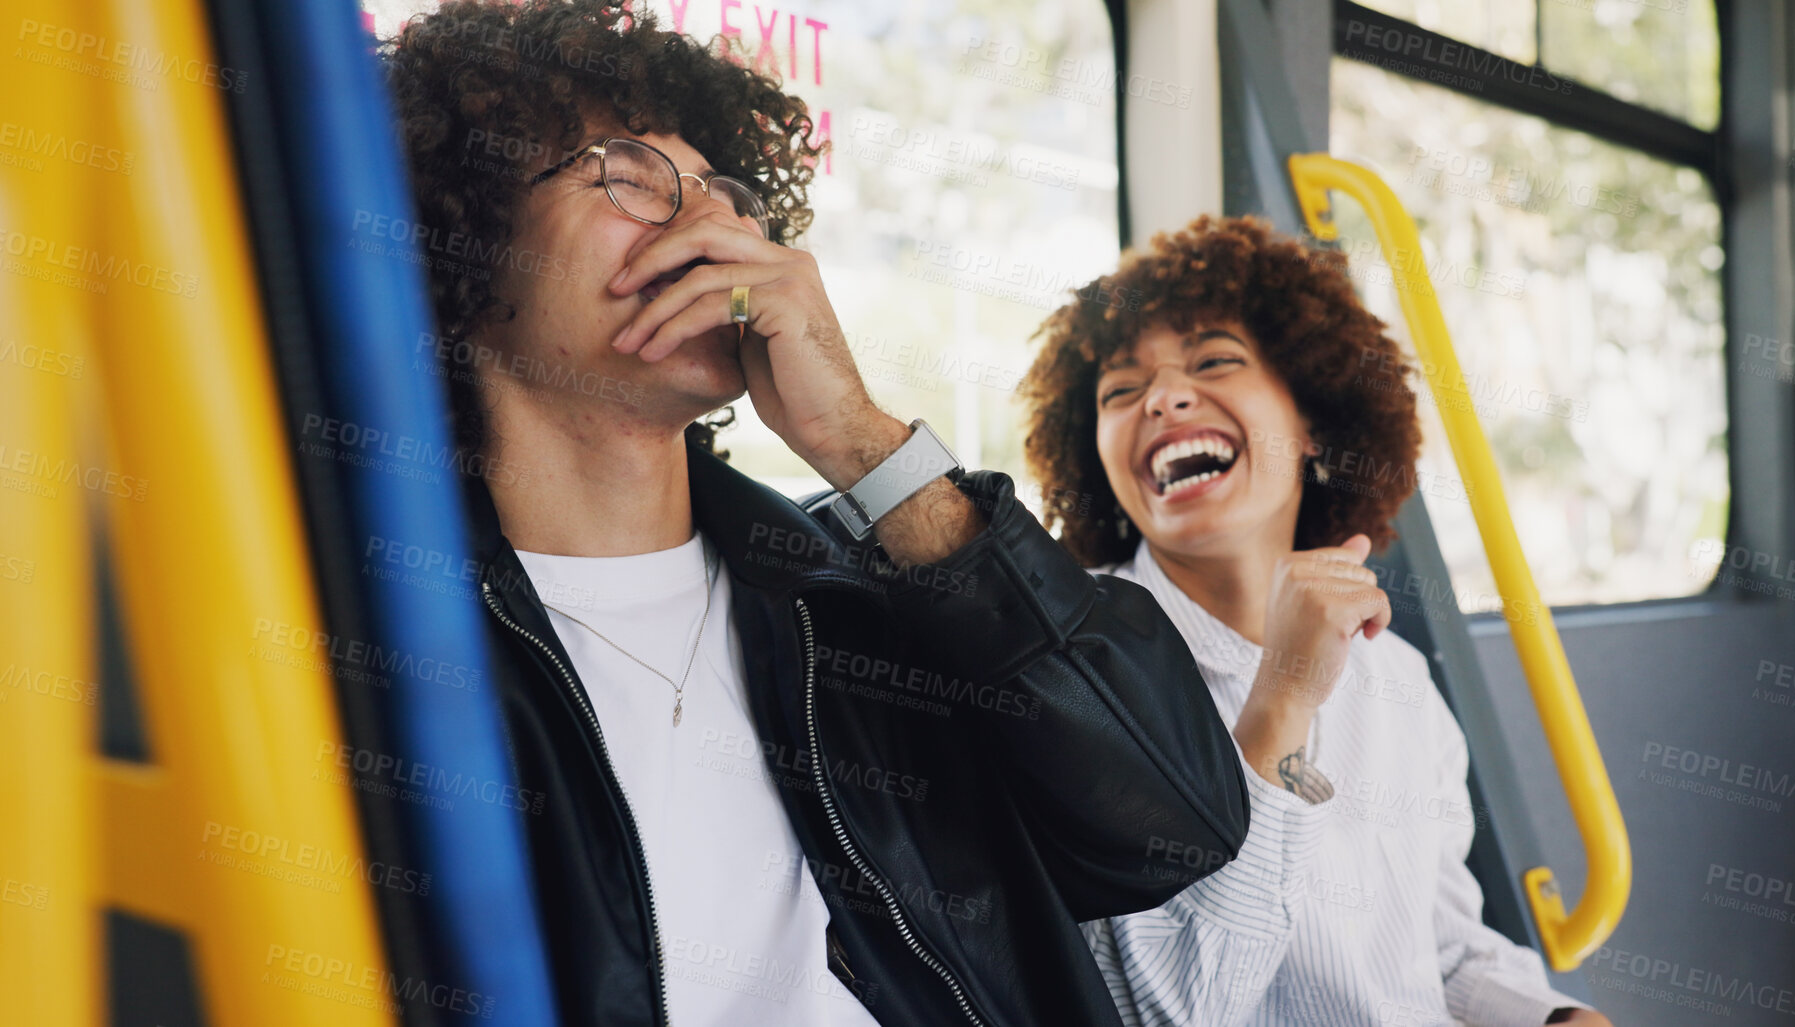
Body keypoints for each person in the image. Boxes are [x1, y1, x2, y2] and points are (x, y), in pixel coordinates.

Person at [381, 4, 1250, 1025]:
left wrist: (863, 444)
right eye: (629, 176)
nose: (714, 229)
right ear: (462, 243)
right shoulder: (389, 640)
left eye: (726, 196)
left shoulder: (861, 596)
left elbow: (1174, 825)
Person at [1018, 215, 1613, 1026]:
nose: (1161, 396)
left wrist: (1554, 1017)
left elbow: (1439, 952)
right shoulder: (1071, 670)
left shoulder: (1396, 674)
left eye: (1214, 360)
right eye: (1120, 390)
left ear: (1312, 425)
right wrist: (1285, 698)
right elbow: (1171, 1011)